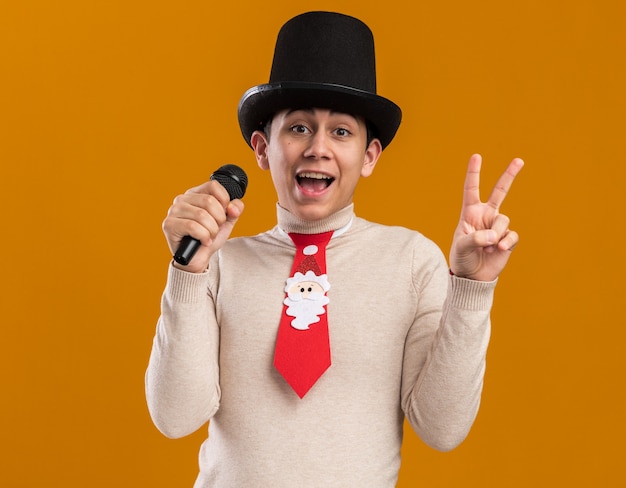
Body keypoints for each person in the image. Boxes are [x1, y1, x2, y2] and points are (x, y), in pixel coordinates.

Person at [145, 11, 523, 487]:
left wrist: (471, 287)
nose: (318, 148)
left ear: (369, 156)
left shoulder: (411, 262)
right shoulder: (219, 265)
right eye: (299, 128)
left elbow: (442, 429)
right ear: (262, 149)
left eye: (341, 132)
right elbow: (175, 417)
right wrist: (187, 273)